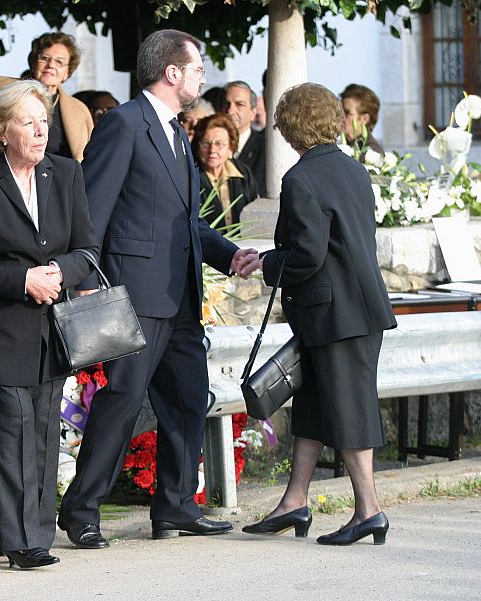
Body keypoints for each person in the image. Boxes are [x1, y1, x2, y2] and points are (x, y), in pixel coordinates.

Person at [57, 29, 259, 549]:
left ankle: (174, 506)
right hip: (134, 294)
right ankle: (80, 510)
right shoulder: (125, 124)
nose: (202, 78)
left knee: (189, 399)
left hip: (181, 295)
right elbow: (92, 211)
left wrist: (225, 253)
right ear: (171, 73)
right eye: (196, 70)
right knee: (122, 401)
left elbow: (181, 219)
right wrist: (84, 282)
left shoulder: (175, 131)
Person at [244, 83, 397, 546]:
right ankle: (295, 500)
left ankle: (369, 510)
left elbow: (308, 255)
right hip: (353, 309)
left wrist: (268, 263)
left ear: (290, 128)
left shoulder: (301, 178)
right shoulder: (352, 169)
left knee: (349, 410)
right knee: (312, 405)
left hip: (335, 314)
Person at [0, 80, 97, 569]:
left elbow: (87, 249)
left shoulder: (66, 173)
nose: (40, 132)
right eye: (27, 122)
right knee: (14, 426)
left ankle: (38, 534)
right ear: (1, 130)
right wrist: (24, 280)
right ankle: (17, 541)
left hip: (53, 329)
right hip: (1, 328)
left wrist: (60, 272)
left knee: (42, 429)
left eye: (44, 122)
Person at [27, 32, 93, 161]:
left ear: (67, 72)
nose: (51, 65)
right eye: (44, 58)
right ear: (34, 63)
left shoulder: (79, 111)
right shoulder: (8, 94)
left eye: (59, 62)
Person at [192, 113, 258, 227]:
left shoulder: (242, 172)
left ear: (231, 149)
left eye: (219, 144)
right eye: (206, 143)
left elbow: (253, 211)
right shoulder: (191, 175)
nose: (212, 150)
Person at [222, 80, 265, 196]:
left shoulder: (266, 150)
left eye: (239, 105)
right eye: (226, 104)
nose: (230, 111)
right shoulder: (206, 146)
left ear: (253, 113)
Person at [341, 83, 384, 159]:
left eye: (347, 113)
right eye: (340, 111)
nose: (341, 116)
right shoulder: (340, 145)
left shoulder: (372, 153)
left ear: (364, 119)